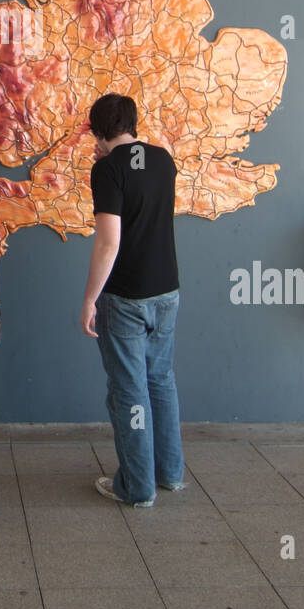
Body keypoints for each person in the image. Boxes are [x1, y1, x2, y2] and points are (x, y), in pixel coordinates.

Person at [80, 93, 185, 507]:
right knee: (161, 381)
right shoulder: (163, 159)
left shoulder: (106, 169)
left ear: (97, 130)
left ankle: (136, 487)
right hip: (168, 290)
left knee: (129, 391)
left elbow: (109, 243)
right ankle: (170, 474)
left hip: (126, 295)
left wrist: (90, 298)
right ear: (133, 123)